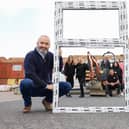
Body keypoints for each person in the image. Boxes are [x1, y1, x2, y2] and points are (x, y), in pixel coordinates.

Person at [20, 35, 71, 113]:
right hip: (34, 86)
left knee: (66, 86)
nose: (44, 46)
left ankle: (47, 101)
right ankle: (28, 104)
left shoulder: (51, 56)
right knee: (24, 83)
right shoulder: (30, 56)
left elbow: (58, 69)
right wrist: (46, 85)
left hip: (47, 87)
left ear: (49, 46)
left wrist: (59, 57)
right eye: (42, 43)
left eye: (46, 44)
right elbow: (30, 74)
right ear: (37, 43)